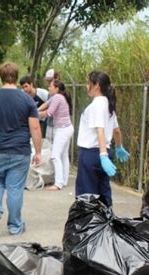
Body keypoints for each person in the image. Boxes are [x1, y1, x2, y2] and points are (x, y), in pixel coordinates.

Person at [0, 62, 42, 236]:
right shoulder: (27, 99)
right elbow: (35, 128)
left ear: (1, 77)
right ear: (17, 77)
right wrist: (39, 151)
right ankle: (14, 226)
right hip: (19, 151)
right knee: (15, 188)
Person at [76, 71, 130, 207]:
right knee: (103, 191)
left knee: (87, 195)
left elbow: (100, 130)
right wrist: (118, 147)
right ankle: (106, 222)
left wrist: (103, 155)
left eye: (88, 83)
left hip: (92, 154)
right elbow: (116, 130)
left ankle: (90, 226)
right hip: (104, 152)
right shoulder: (108, 104)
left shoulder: (97, 105)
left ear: (97, 86)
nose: (86, 86)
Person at [38, 80, 74, 190]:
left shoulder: (58, 97)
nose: (49, 88)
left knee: (55, 155)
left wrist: (34, 114)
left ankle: (58, 183)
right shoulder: (56, 97)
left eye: (50, 86)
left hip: (63, 130)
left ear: (57, 88)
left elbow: (49, 113)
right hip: (66, 128)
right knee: (63, 155)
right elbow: (46, 104)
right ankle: (63, 180)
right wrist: (36, 109)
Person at [43, 69, 61, 142]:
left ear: (57, 78)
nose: (48, 82)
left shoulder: (61, 93)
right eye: (48, 80)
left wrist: (37, 113)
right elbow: (47, 104)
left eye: (50, 80)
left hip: (59, 126)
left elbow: (50, 111)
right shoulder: (50, 92)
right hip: (50, 124)